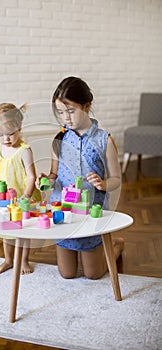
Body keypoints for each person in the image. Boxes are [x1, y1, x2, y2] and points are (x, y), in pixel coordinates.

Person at [36, 76, 124, 280]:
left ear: (87, 106)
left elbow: (116, 179)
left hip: (89, 212)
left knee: (93, 274)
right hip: (64, 212)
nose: (65, 117)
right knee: (67, 274)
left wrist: (103, 184)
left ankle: (116, 245)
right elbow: (54, 174)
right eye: (60, 112)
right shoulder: (59, 139)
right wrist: (46, 181)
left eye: (71, 110)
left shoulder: (104, 140)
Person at [0, 102, 40, 275]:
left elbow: (31, 175)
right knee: (6, 229)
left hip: (22, 196)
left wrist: (27, 195)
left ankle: (23, 260)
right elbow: (0, 163)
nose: (5, 139)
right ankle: (8, 259)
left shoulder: (24, 151)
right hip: (3, 197)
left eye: (10, 134)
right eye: (0, 135)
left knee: (23, 230)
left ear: (19, 128)